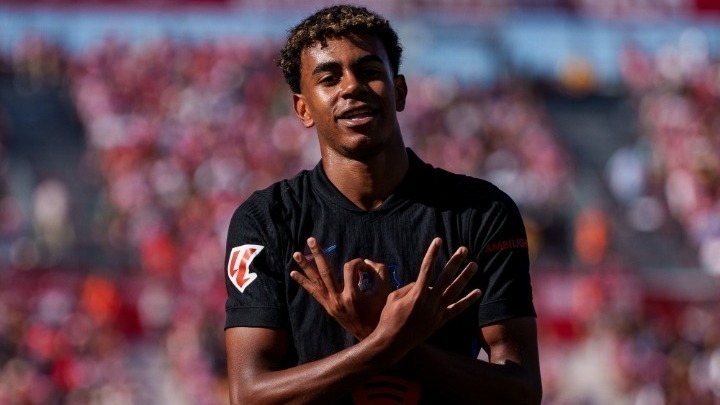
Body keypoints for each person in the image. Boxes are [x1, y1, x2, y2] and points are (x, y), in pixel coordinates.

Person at [224, 5, 541, 404]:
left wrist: (379, 338)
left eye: (369, 71)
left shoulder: (481, 212)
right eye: (329, 78)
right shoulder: (267, 219)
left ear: (400, 91)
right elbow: (249, 395)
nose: (352, 87)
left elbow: (521, 391)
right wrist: (386, 341)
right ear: (303, 108)